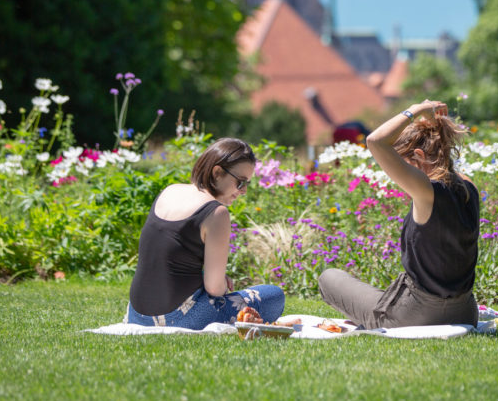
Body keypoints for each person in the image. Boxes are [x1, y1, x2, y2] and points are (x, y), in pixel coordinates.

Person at [318, 100, 480, 329]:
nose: (400, 174)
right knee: (372, 294)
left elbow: (375, 141)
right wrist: (438, 129)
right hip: (465, 312)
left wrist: (415, 110)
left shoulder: (427, 191)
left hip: (418, 316)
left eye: (404, 165)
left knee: (329, 278)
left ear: (418, 156)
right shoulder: (468, 186)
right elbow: (445, 163)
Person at [125, 137, 285, 329]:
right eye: (241, 182)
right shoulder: (216, 212)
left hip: (136, 315)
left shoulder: (170, 191)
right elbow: (215, 289)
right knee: (274, 295)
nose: (244, 191)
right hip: (180, 318)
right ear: (217, 172)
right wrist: (221, 284)